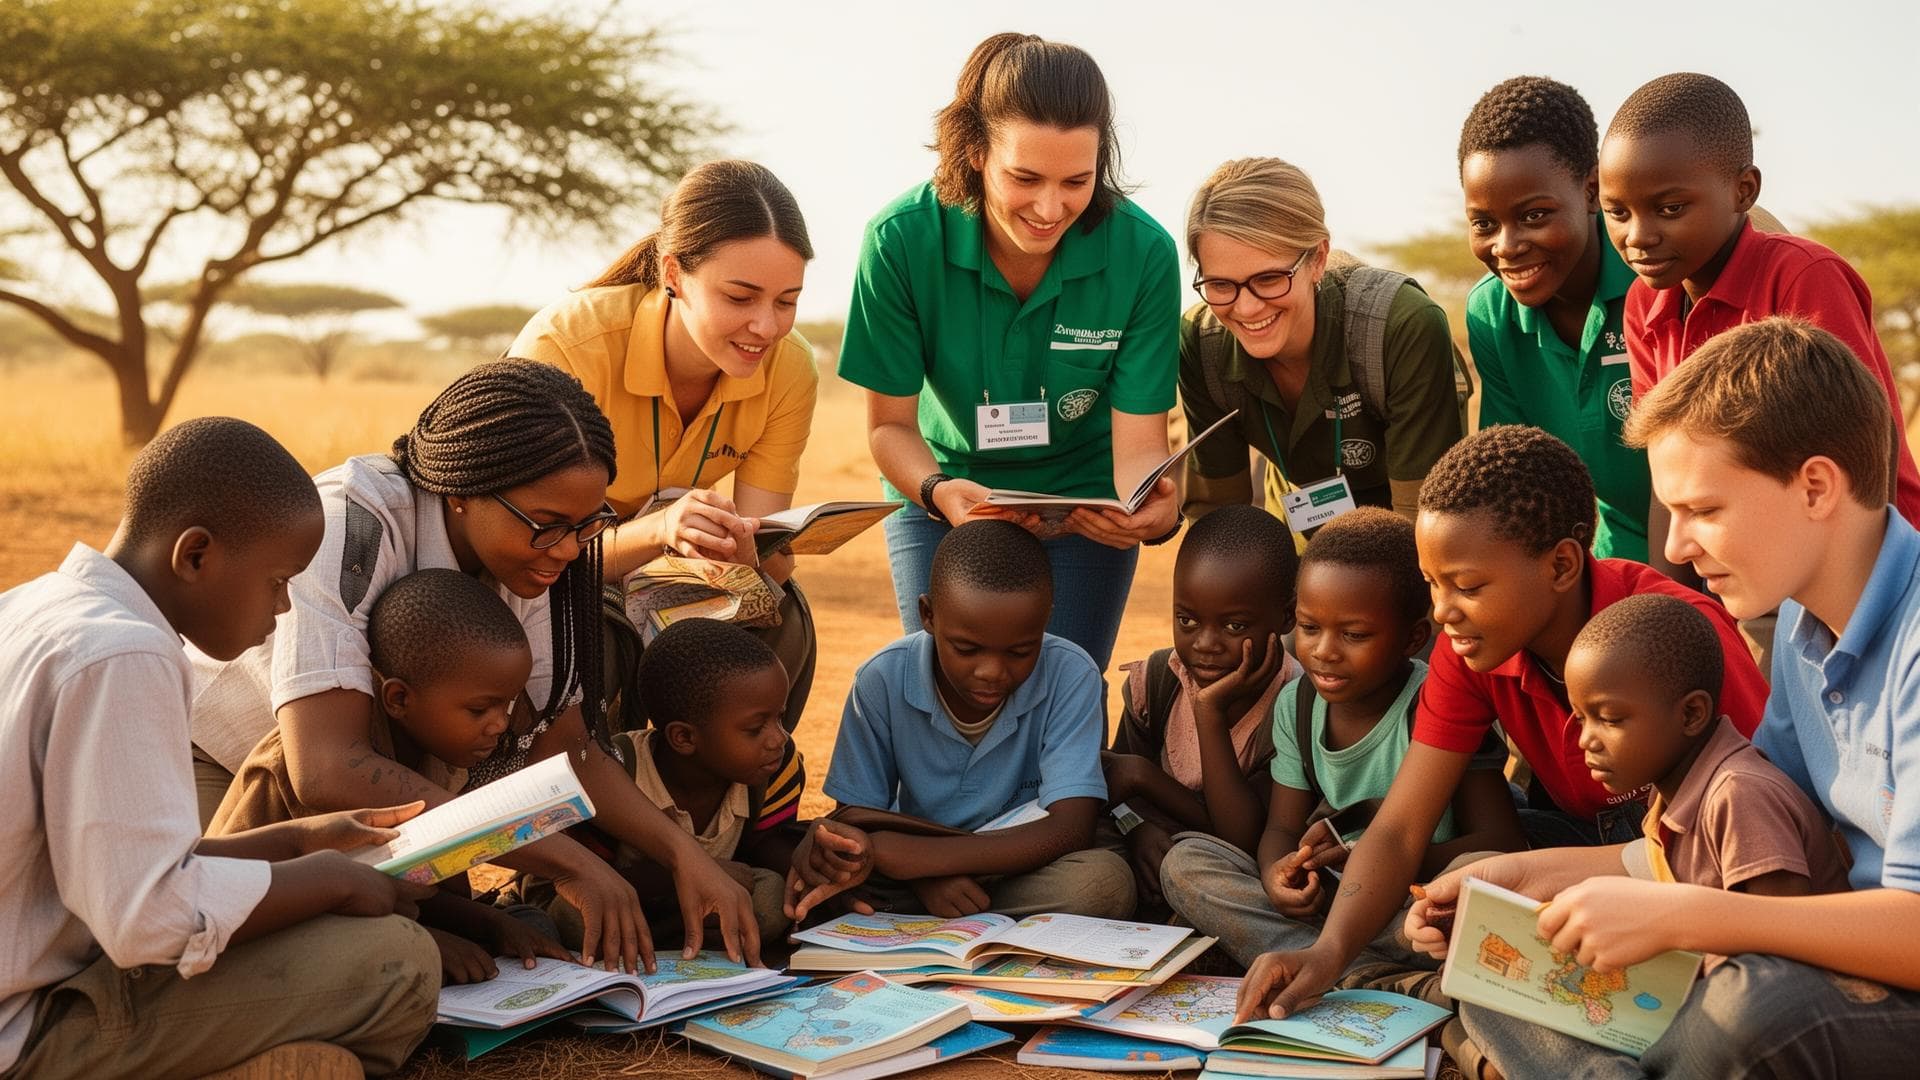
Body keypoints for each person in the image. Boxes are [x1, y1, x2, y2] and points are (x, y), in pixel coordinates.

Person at [189, 360, 759, 974]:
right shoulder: (353, 521)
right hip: (223, 767)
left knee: (443, 922)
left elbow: (562, 748)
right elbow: (328, 768)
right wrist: (569, 863)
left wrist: (682, 854)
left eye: (586, 526)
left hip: (382, 792)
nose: (568, 550)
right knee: (262, 943)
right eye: (548, 526)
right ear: (460, 492)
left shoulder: (533, 563)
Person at [1230, 425, 1769, 1025]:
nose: (1441, 612)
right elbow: (1400, 829)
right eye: (1433, 584)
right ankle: (1390, 974)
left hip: (1698, 869)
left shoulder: (1677, 636)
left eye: (1467, 586)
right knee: (1463, 887)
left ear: (1562, 564)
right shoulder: (1472, 649)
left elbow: (1758, 833)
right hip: (1575, 839)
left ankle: (1432, 993)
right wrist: (1326, 955)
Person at [0, 417, 439, 1078]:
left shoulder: (37, 606)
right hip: (26, 1033)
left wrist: (296, 842)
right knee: (396, 962)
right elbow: (145, 920)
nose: (286, 608)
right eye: (278, 580)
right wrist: (326, 881)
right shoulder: (125, 653)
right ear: (196, 555)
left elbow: (99, 861)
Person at [837, 32, 1183, 669]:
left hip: (1083, 510)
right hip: (940, 494)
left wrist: (1150, 511)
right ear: (973, 150)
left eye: (1077, 181)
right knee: (940, 688)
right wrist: (941, 491)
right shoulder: (899, 241)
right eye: (1024, 178)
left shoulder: (1145, 255)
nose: (1051, 209)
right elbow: (889, 427)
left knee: (1064, 689)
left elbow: (1139, 449)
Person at [1406, 589, 1851, 1079]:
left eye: (1610, 719)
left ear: (1691, 714)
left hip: (1757, 1022)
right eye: (1580, 717)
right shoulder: (1669, 795)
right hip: (1679, 999)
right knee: (1490, 993)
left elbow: (1775, 965)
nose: (1585, 740)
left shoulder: (1739, 794)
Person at [510, 160, 821, 729]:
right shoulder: (570, 345)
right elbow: (522, 552)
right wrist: (658, 532)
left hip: (665, 578)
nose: (767, 327)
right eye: (740, 297)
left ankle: (727, 811)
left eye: (786, 301)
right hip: (552, 574)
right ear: (674, 274)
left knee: (784, 620)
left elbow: (768, 553)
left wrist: (747, 555)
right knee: (595, 637)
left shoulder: (791, 368)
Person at [1161, 508, 1521, 968]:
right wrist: (1277, 874)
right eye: (1310, 629)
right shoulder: (1298, 704)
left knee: (1473, 895)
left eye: (1353, 634)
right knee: (1188, 863)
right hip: (1331, 899)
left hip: (1417, 902)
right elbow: (1281, 829)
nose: (1324, 651)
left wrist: (1372, 866)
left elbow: (1502, 842)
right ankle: (1357, 970)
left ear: (1412, 639)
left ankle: (1334, 964)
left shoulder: (1440, 703)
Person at [1599, 72, 1920, 573]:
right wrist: (1678, 605)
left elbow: (1854, 466)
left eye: (1670, 208)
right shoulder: (1646, 304)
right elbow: (1671, 482)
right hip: (1740, 567)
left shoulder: (1802, 279)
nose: (1638, 236)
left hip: (1859, 569)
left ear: (1743, 190)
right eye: (1616, 212)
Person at [209, 568, 575, 986]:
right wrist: (427, 939)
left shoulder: (436, 760)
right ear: (399, 699)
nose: (499, 726)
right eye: (480, 710)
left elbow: (409, 886)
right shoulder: (317, 770)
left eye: (506, 706)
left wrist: (491, 924)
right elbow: (241, 902)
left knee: (528, 926)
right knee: (410, 957)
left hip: (372, 915)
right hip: (258, 940)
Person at [818, 520, 1134, 919]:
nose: (992, 672)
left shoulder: (1072, 673)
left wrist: (924, 861)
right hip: (915, 869)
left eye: (1020, 651)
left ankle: (944, 907)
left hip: (1020, 861)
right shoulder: (881, 678)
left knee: (1101, 885)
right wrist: (926, 878)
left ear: (1044, 620)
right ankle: (967, 908)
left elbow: (1070, 828)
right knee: (831, 871)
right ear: (928, 615)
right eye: (967, 649)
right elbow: (854, 820)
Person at [1179, 157, 1468, 539]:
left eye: (1269, 279)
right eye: (1220, 285)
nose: (1246, 308)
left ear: (1317, 259)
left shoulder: (1400, 327)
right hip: (1300, 520)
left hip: (1403, 533)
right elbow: (1218, 526)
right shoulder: (1203, 344)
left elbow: (1424, 531)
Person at [1458, 76, 1650, 562]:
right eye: (1484, 223)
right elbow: (1518, 482)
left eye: (1535, 215)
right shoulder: (1491, 314)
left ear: (1591, 191)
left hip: (1727, 554)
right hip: (1618, 556)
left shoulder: (1653, 282)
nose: (1506, 245)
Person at [1102, 504, 1302, 909]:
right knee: (1090, 850)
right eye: (1187, 620)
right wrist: (1135, 828)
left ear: (1286, 616)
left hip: (1233, 866)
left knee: (1192, 865)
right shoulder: (1158, 679)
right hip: (1150, 846)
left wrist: (1208, 713)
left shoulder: (1295, 703)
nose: (1205, 644)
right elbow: (1114, 788)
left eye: (1234, 626)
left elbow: (1243, 839)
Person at [570, 618, 808, 948]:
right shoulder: (616, 770)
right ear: (683, 737)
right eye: (755, 729)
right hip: (627, 892)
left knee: (770, 899)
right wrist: (687, 873)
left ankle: (671, 936)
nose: (778, 739)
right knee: (578, 917)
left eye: (780, 718)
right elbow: (582, 874)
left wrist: (813, 856)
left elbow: (765, 850)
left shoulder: (777, 768)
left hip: (709, 894)